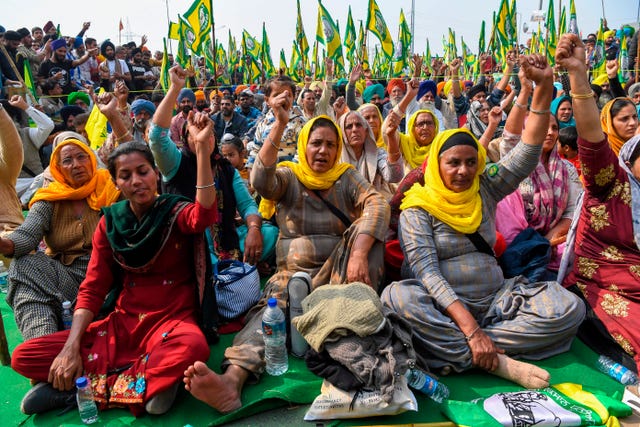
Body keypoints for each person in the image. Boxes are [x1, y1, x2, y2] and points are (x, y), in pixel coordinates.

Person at [380, 54, 585, 390]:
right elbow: (427, 273)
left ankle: (460, 352)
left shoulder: (484, 187)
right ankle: (498, 361)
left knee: (569, 306)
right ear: (436, 165)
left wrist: (544, 86)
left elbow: (526, 153)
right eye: (453, 163)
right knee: (396, 299)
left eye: (470, 162)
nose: (462, 171)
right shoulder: (417, 206)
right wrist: (470, 329)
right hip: (439, 307)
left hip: (498, 300)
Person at [11, 116, 220, 416]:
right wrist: (71, 347)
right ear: (116, 182)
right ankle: (150, 386)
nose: (136, 181)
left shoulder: (175, 210)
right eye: (125, 175)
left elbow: (204, 216)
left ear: (155, 175)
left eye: (143, 172)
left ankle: (81, 389)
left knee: (194, 347)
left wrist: (201, 150)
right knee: (24, 356)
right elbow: (93, 287)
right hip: (123, 326)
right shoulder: (110, 222)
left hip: (172, 323)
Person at [183, 112, 390, 413]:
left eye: (331, 145)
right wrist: (279, 126)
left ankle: (315, 329)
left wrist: (358, 253)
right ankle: (232, 380)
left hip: (338, 271)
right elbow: (262, 182)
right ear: (304, 145)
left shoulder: (346, 176)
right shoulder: (289, 175)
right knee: (270, 310)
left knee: (369, 236)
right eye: (316, 143)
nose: (323, 151)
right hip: (294, 274)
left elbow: (377, 202)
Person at [557, 33, 640, 373]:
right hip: (607, 289)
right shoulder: (610, 182)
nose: (632, 122)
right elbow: (591, 137)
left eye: (637, 117)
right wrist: (578, 74)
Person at [0, 138, 120, 340]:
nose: (76, 164)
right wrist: (5, 244)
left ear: (91, 159)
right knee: (23, 265)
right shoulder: (49, 199)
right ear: (57, 169)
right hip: (68, 278)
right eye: (67, 161)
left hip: (110, 277)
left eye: (81, 156)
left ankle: (42, 347)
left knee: (28, 289)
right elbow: (27, 235)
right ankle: (43, 345)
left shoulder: (112, 188)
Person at [150, 65, 264, 266]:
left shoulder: (225, 168)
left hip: (226, 242)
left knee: (268, 232)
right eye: (195, 134)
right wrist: (174, 89)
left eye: (208, 132)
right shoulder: (176, 163)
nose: (203, 139)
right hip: (188, 246)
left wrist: (254, 229)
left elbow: (247, 205)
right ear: (186, 139)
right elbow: (157, 137)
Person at [338, 110, 404, 200]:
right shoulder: (335, 158)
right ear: (342, 132)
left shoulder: (377, 153)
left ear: (366, 131)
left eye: (358, 125)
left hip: (373, 205)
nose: (354, 129)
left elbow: (394, 176)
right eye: (349, 126)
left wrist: (391, 136)